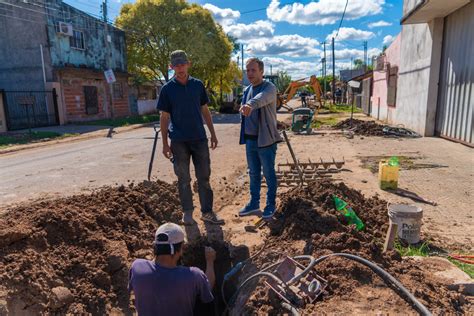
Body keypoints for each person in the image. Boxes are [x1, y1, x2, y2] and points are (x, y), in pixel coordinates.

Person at [157, 50, 224, 225]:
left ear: (188, 64)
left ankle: (207, 212)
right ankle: (187, 212)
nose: (180, 68)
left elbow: (205, 110)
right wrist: (165, 144)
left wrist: (213, 133)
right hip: (178, 141)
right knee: (183, 178)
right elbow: (164, 117)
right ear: (172, 67)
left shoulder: (198, 85)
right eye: (176, 65)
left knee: (204, 177)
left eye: (182, 64)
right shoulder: (167, 89)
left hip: (199, 139)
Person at [129, 223, 217, 316]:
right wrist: (210, 261)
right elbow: (207, 290)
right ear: (180, 248)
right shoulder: (194, 275)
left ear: (155, 246)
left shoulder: (137, 267)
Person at [238, 58, 282, 219]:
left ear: (261, 72)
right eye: (247, 70)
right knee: (253, 173)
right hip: (250, 139)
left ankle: (270, 204)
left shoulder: (269, 87)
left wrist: (249, 104)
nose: (249, 73)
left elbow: (261, 99)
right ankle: (254, 203)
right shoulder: (247, 89)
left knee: (269, 173)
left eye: (253, 70)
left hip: (265, 140)